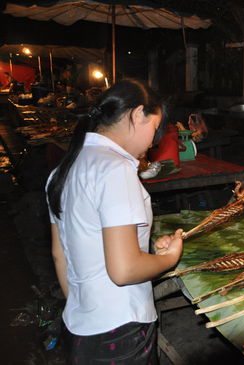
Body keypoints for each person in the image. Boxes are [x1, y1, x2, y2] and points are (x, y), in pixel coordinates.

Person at [46, 79, 183, 364]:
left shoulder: (64, 169)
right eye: (154, 129)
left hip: (81, 327)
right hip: (120, 332)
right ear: (137, 114)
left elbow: (61, 255)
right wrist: (169, 259)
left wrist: (147, 254)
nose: (153, 142)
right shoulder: (115, 170)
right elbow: (124, 270)